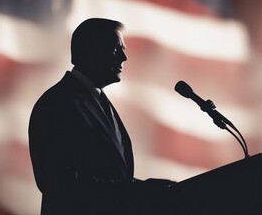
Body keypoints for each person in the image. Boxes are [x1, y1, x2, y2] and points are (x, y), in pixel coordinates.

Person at [29, 18, 174, 215]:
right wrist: (138, 190)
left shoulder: (100, 103)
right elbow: (57, 182)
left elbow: (112, 177)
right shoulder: (55, 104)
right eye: (116, 49)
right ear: (90, 50)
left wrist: (144, 189)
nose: (124, 57)